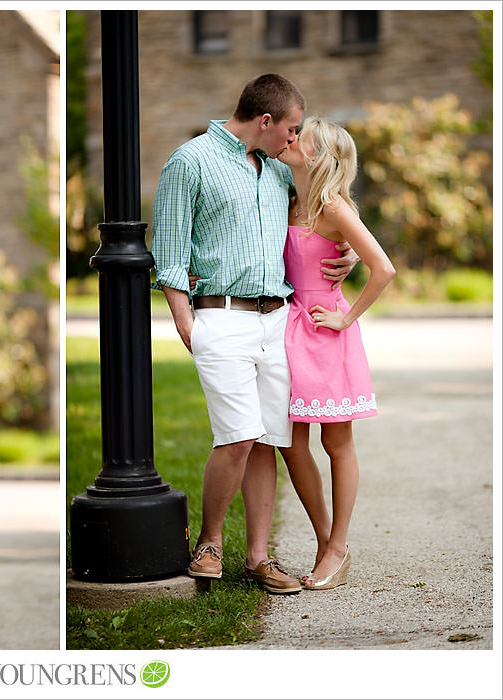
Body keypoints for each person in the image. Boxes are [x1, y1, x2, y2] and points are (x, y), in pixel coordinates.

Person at [151, 74, 357, 594]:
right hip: (220, 317)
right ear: (264, 121)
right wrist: (186, 322)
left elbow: (326, 204)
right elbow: (170, 253)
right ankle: (210, 541)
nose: (293, 141)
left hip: (279, 321)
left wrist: (350, 250)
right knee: (238, 437)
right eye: (289, 130)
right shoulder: (191, 162)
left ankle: (259, 559)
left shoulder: (275, 169)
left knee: (269, 440)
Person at [275, 116, 395, 589]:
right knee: (290, 442)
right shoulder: (286, 202)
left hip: (328, 331)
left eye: (299, 137)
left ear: (318, 156)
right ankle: (326, 541)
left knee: (336, 443)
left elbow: (383, 268)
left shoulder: (333, 207)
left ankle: (338, 546)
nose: (290, 138)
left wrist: (346, 318)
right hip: (291, 327)